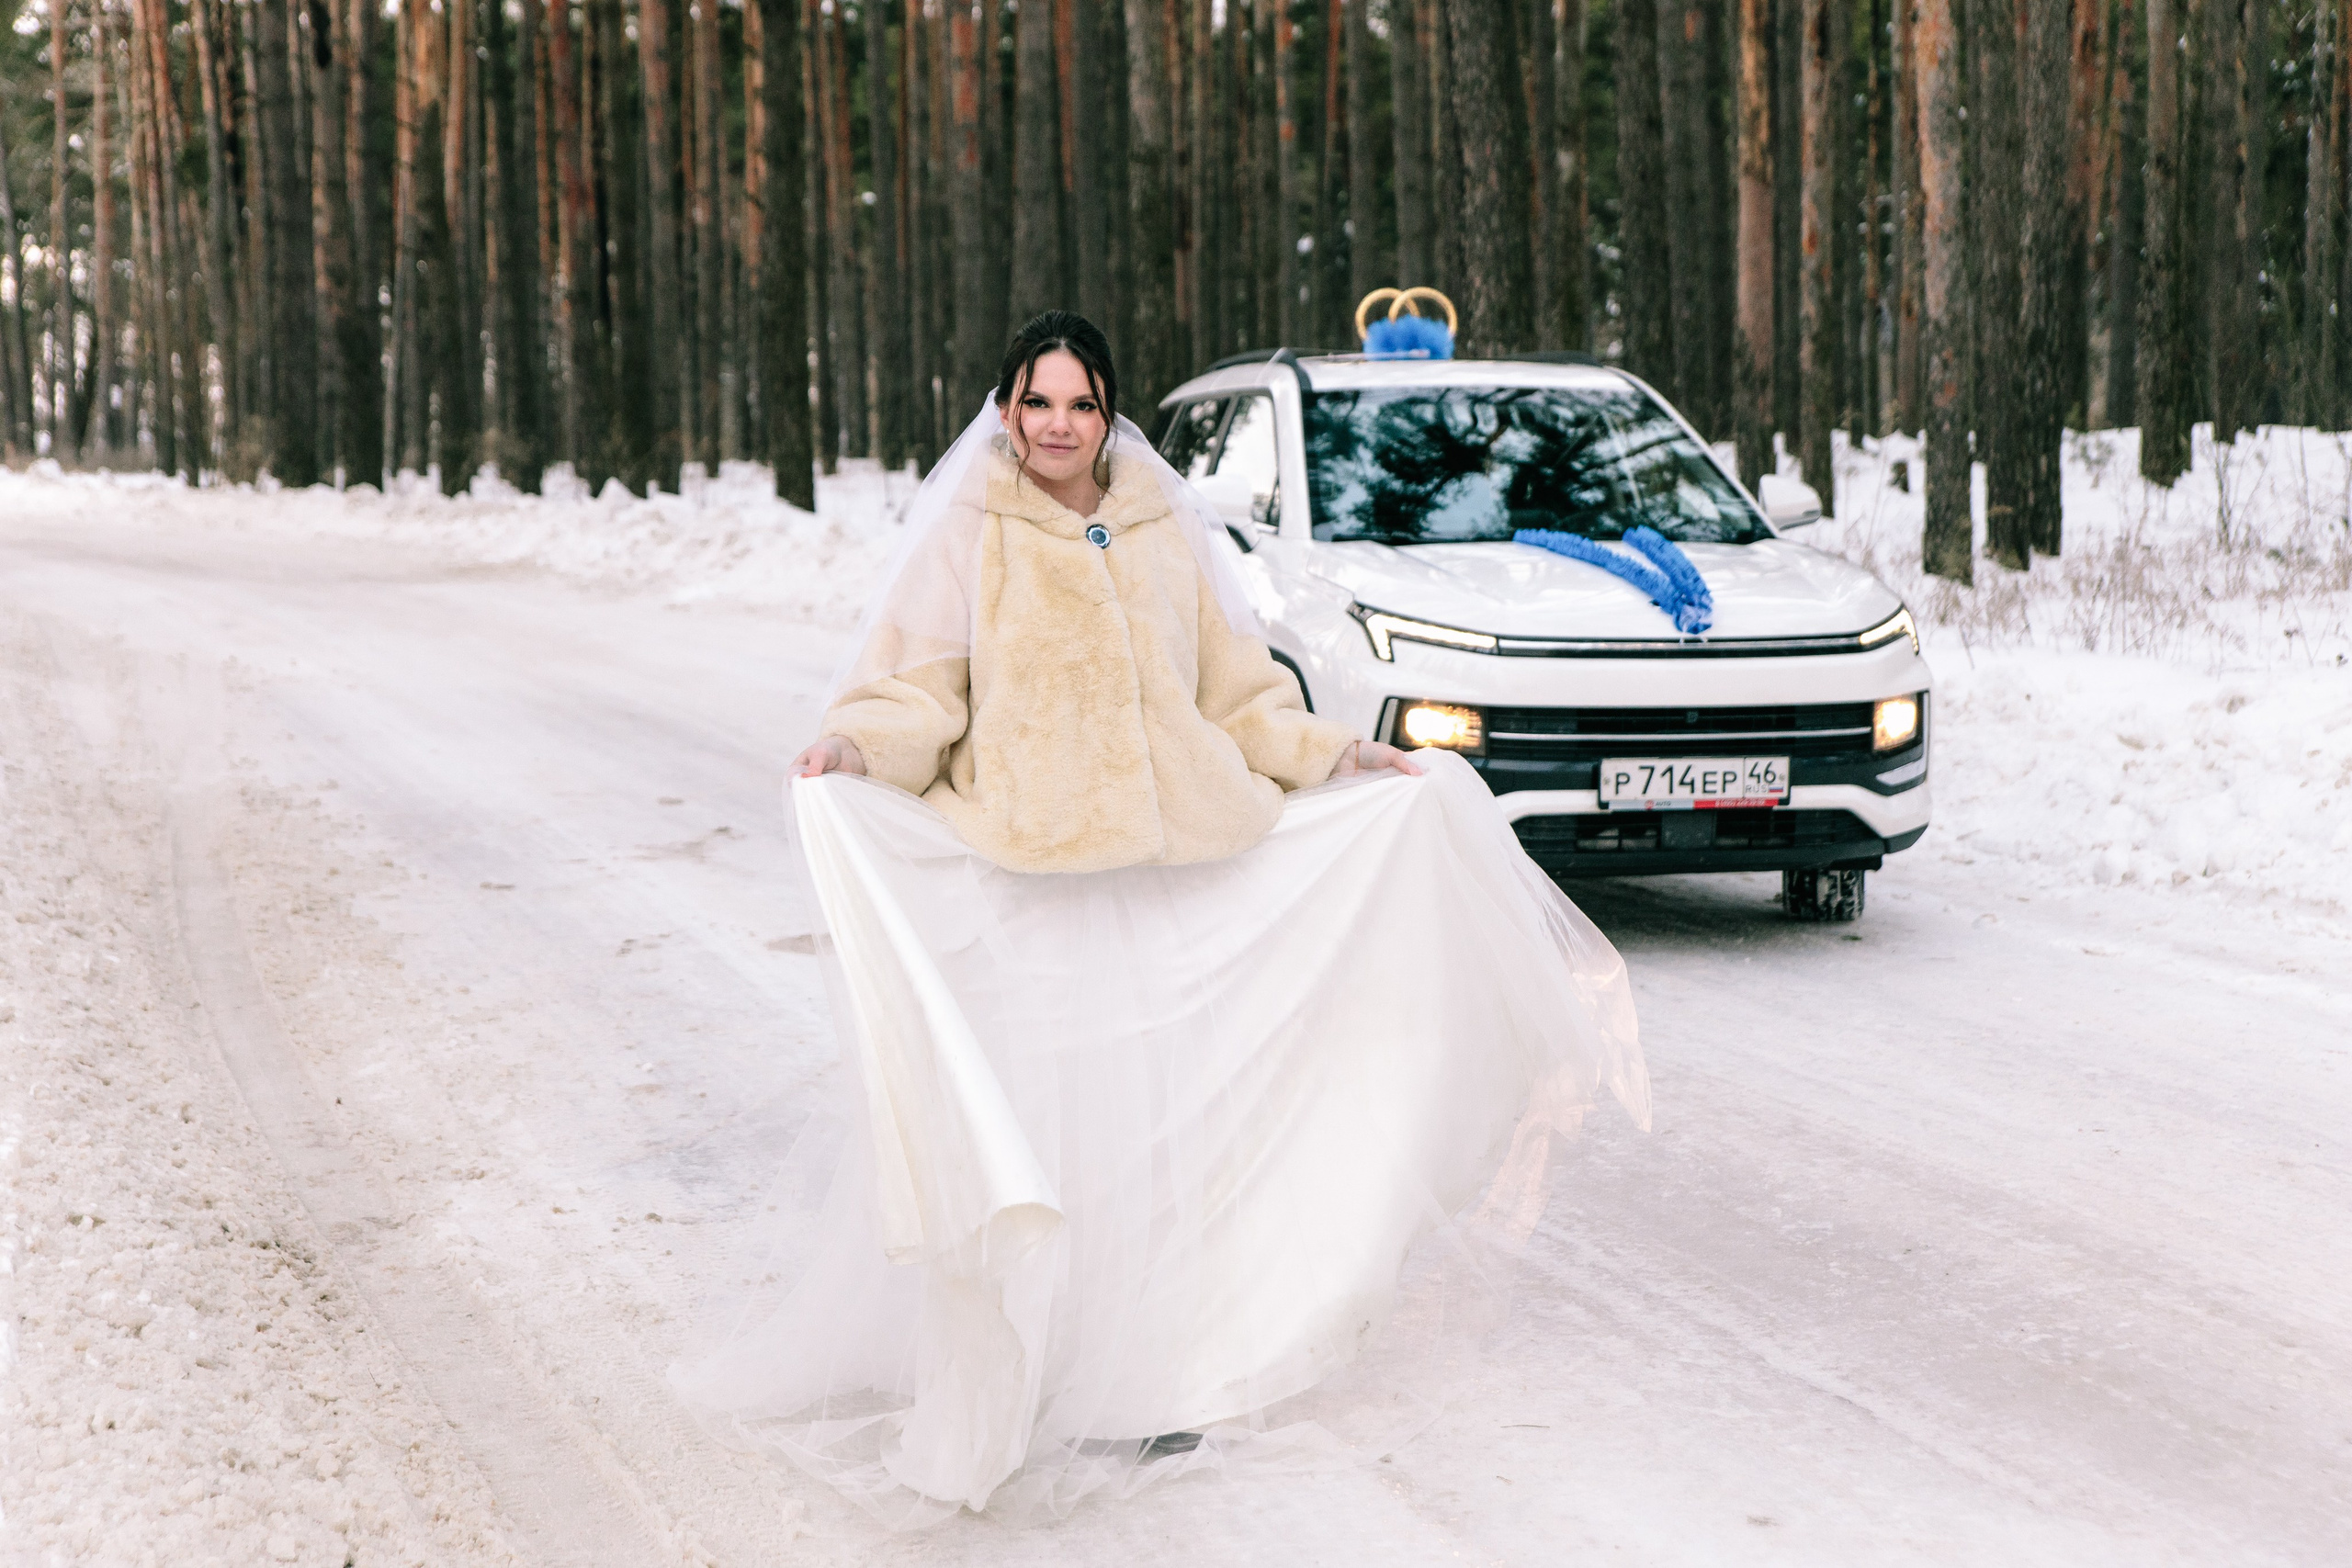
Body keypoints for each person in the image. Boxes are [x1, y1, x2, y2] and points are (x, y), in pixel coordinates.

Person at [672, 311, 1648, 1529]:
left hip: (1176, 872)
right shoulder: (971, 531)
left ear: (1107, 411)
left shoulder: (1156, 523)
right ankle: (1033, 1369)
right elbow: (922, 687)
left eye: (1081, 405)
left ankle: (1149, 1378)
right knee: (1056, 1131)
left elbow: (1233, 694)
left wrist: (1334, 752)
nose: (1060, 428)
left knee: (1166, 1134)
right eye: (1039, 404)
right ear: (1008, 408)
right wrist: (857, 746)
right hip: (1031, 882)